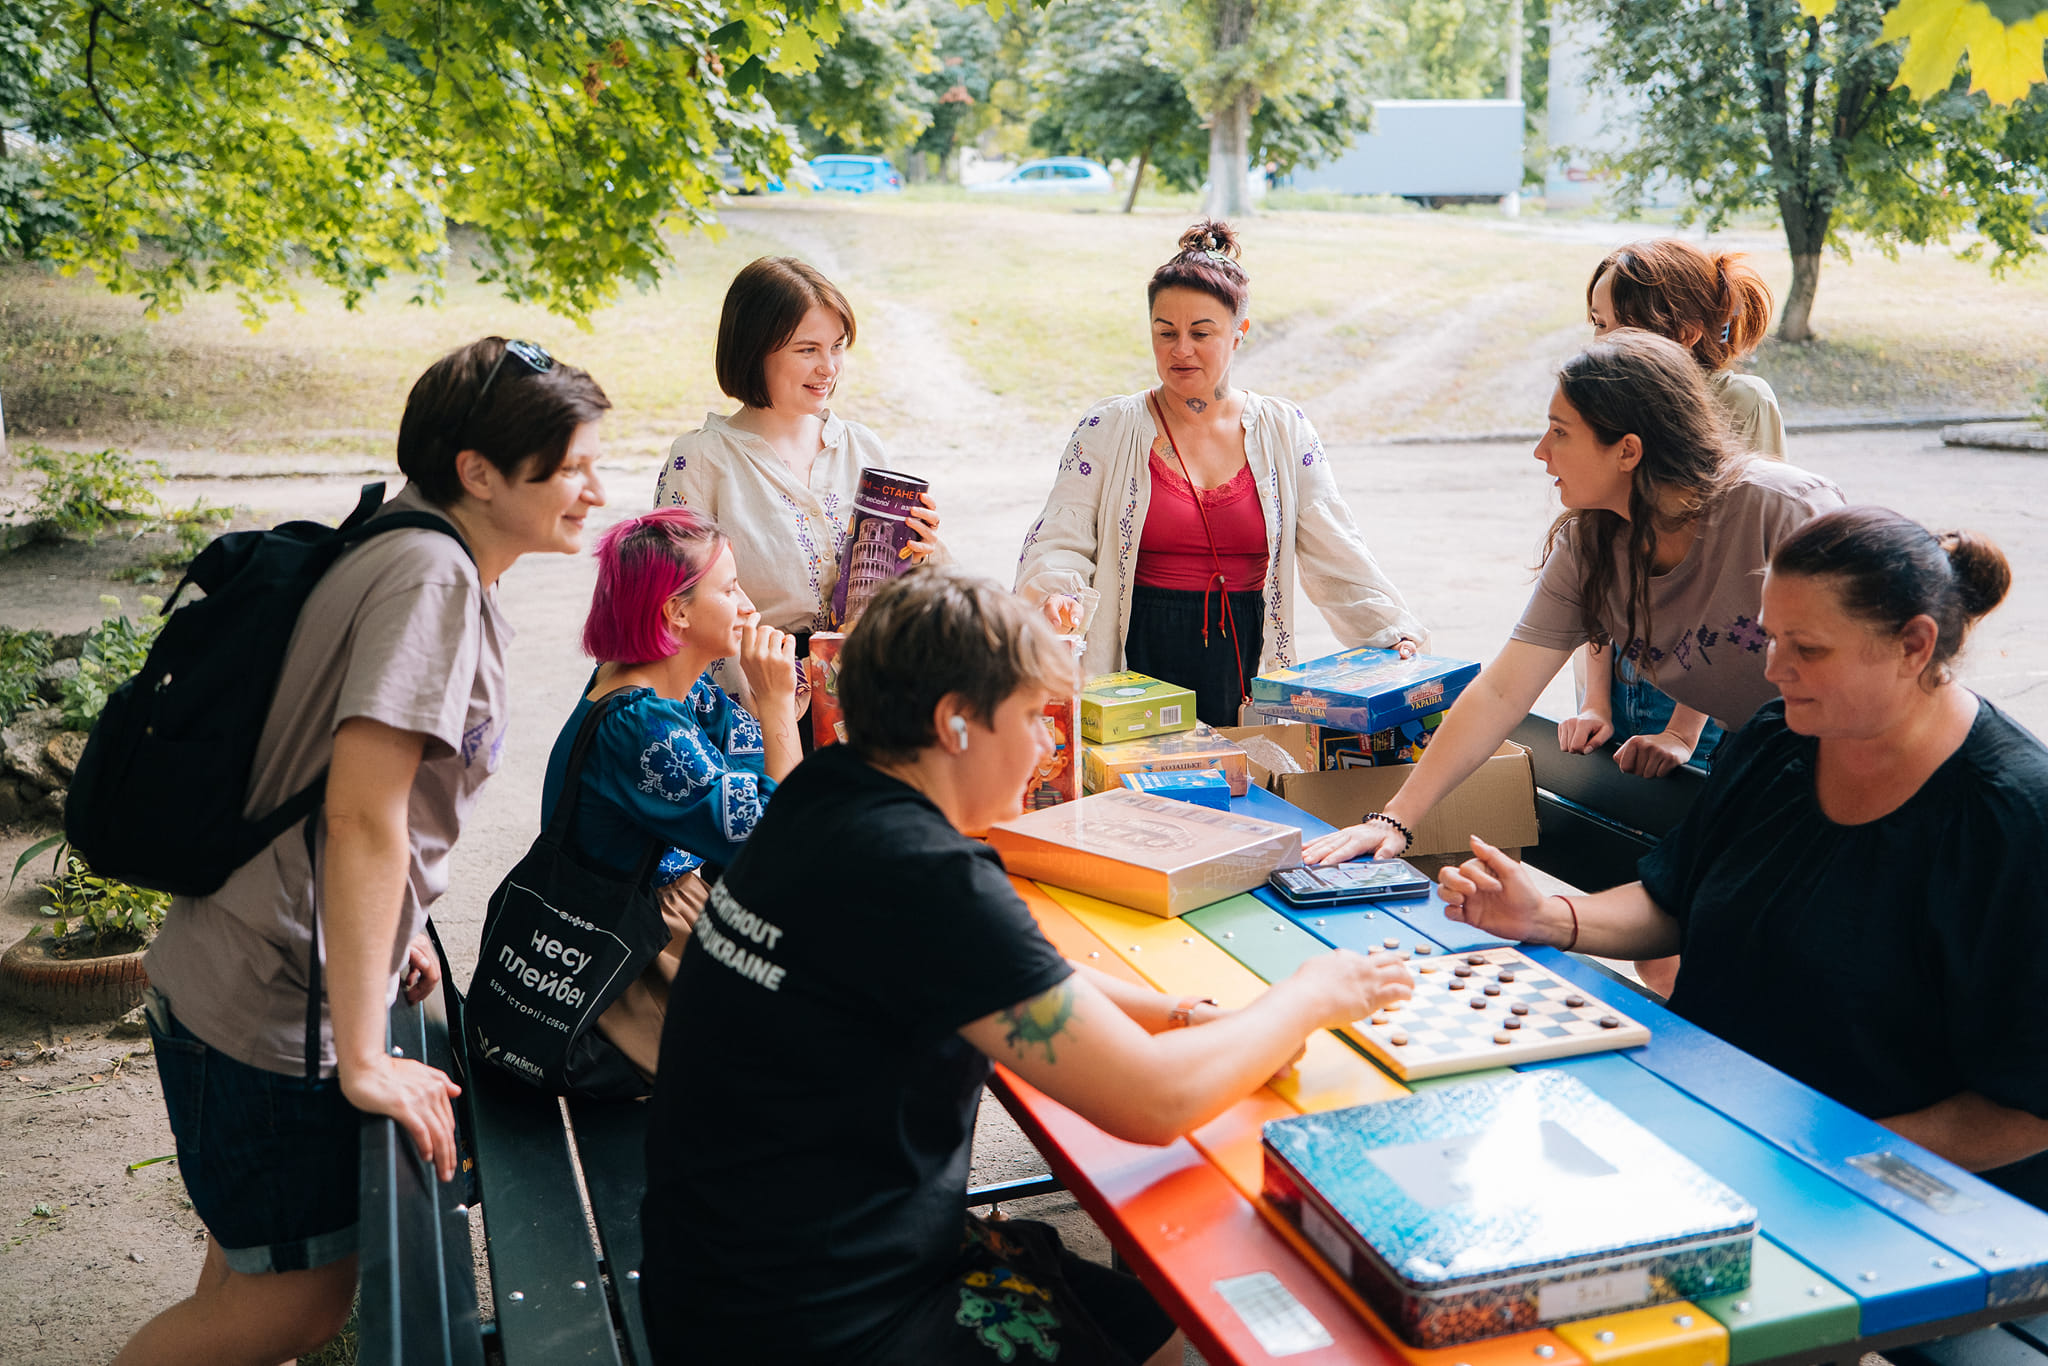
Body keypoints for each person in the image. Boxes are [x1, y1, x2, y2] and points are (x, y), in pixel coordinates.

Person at [638, 566, 1414, 1365]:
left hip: (723, 1280)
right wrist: (1312, 996)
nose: (1049, 745)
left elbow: (1013, 974)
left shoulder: (826, 795)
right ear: (956, 723)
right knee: (1222, 1300)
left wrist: (1181, 1012)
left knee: (1157, 1324)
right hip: (819, 1326)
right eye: (1033, 718)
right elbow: (1153, 1101)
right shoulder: (923, 872)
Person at [119, 337, 610, 1366]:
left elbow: (355, 805)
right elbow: (361, 816)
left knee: (255, 1271)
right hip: (270, 1013)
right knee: (296, 1304)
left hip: (242, 975)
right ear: (478, 472)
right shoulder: (429, 578)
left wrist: (397, 933)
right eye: (569, 467)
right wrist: (367, 1057)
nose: (593, 488)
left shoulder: (414, 543)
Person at [1432, 508, 2048, 1209]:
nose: (1772, 667)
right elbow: (1674, 899)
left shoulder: (2014, 818)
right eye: (1770, 636)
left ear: (1914, 644)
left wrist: (1816, 1163)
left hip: (1874, 1197)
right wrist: (1548, 916)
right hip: (1704, 1127)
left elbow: (2024, 1112)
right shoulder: (1780, 738)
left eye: (1807, 649)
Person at [1304, 330, 1841, 864]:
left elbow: (1882, 670)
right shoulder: (1590, 545)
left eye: (1559, 432)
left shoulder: (1783, 510)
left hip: (1858, 768)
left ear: (1628, 450)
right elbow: (1501, 694)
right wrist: (1394, 819)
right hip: (1765, 764)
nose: (1540, 452)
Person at [1015, 219, 1424, 727]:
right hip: (1134, 654)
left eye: (1201, 333)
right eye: (1165, 333)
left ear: (1238, 335)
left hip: (1242, 655)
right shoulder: (1109, 427)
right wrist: (1057, 592)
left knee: (1241, 786)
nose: (1180, 350)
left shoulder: (1284, 429)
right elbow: (1062, 532)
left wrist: (1390, 629)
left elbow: (1335, 546)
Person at [539, 506, 800, 1083]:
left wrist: (779, 708)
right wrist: (777, 706)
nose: (750, 606)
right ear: (677, 611)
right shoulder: (640, 726)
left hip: (669, 915)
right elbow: (778, 841)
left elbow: (758, 774)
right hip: (635, 955)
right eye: (730, 589)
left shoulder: (674, 688)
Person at [655, 256, 942, 728]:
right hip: (755, 710)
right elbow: (673, 607)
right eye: (807, 349)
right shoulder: (702, 460)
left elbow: (896, 591)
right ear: (753, 351)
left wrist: (920, 552)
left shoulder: (862, 446)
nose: (828, 367)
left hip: (868, 697)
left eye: (837, 346)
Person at [1572, 239, 1788, 776]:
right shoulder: (1605, 405)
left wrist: (1680, 731)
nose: (1599, 343)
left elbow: (1741, 580)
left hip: (1701, 682)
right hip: (1618, 662)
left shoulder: (1741, 401)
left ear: (1684, 333)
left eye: (1613, 326)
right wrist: (1594, 700)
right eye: (1595, 324)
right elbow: (1595, 561)